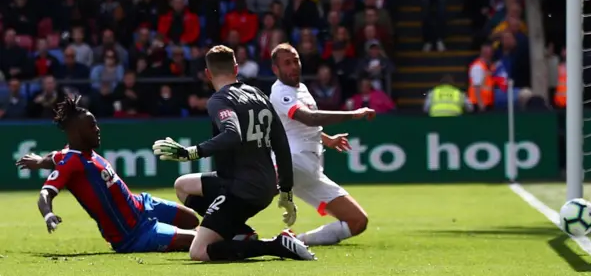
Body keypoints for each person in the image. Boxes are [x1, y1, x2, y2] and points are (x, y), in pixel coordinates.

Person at [151, 45, 315, 262]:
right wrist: (285, 192)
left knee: (199, 252)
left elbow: (231, 134)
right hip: (261, 184)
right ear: (236, 69)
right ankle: (240, 233)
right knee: (183, 185)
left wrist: (190, 153)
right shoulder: (258, 94)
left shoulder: (219, 100)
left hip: (241, 190)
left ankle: (274, 245)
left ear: (208, 74)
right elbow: (281, 143)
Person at [15, 96, 199, 253]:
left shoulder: (75, 153)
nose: (97, 129)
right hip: (133, 234)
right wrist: (48, 214)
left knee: (192, 219)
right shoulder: (70, 163)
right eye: (92, 125)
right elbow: (45, 193)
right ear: (77, 132)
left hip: (143, 206)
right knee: (197, 239)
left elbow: (51, 157)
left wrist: (39, 162)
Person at [269, 43, 374, 246]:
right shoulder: (280, 92)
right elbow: (309, 118)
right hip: (292, 163)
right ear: (276, 69)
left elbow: (304, 127)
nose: (293, 67)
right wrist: (354, 114)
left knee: (358, 221)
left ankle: (295, 241)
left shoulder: (302, 88)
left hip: (312, 172)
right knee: (256, 190)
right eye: (287, 63)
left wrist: (328, 139)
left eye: (295, 61)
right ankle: (222, 226)